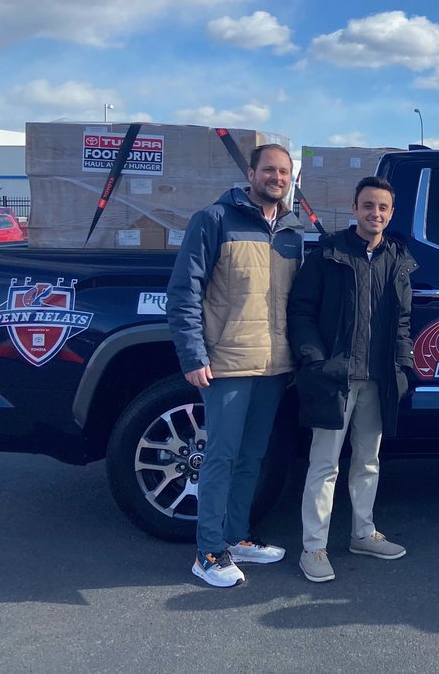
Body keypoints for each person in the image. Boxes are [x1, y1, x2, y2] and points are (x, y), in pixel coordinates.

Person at [167, 143, 302, 588]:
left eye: (283, 172)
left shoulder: (290, 232)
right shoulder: (214, 220)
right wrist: (193, 355)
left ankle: (237, 537)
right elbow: (184, 291)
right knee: (220, 457)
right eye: (269, 170)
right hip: (227, 361)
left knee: (252, 456)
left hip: (272, 364)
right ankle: (207, 553)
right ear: (251, 172)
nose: (276, 178)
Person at [288, 176, 417, 583]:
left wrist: (401, 366)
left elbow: (403, 321)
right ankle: (314, 548)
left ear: (391, 213)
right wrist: (315, 360)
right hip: (336, 378)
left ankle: (363, 533)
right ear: (354, 208)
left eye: (382, 207)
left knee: (368, 461)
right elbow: (302, 312)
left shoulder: (397, 259)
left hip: (377, 380)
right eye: (367, 206)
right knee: (324, 465)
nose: (374, 213)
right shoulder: (329, 253)